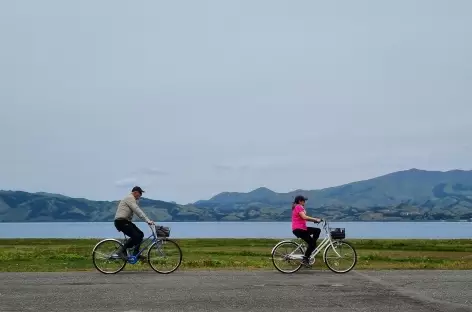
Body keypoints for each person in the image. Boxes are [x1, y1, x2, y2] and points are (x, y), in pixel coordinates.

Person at [114, 186, 155, 260]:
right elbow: (137, 210)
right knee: (136, 236)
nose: (139, 197)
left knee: (140, 234)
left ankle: (136, 253)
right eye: (139, 195)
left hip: (125, 221)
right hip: (121, 222)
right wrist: (147, 220)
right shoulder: (130, 198)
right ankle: (120, 251)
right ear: (135, 192)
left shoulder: (131, 199)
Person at [291, 195, 322, 267]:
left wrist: (315, 220)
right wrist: (315, 219)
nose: (305, 202)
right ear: (300, 201)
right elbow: (304, 217)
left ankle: (312, 247)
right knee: (312, 242)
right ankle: (306, 258)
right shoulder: (298, 206)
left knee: (317, 231)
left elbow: (304, 218)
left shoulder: (298, 207)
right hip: (299, 229)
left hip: (301, 228)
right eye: (304, 200)